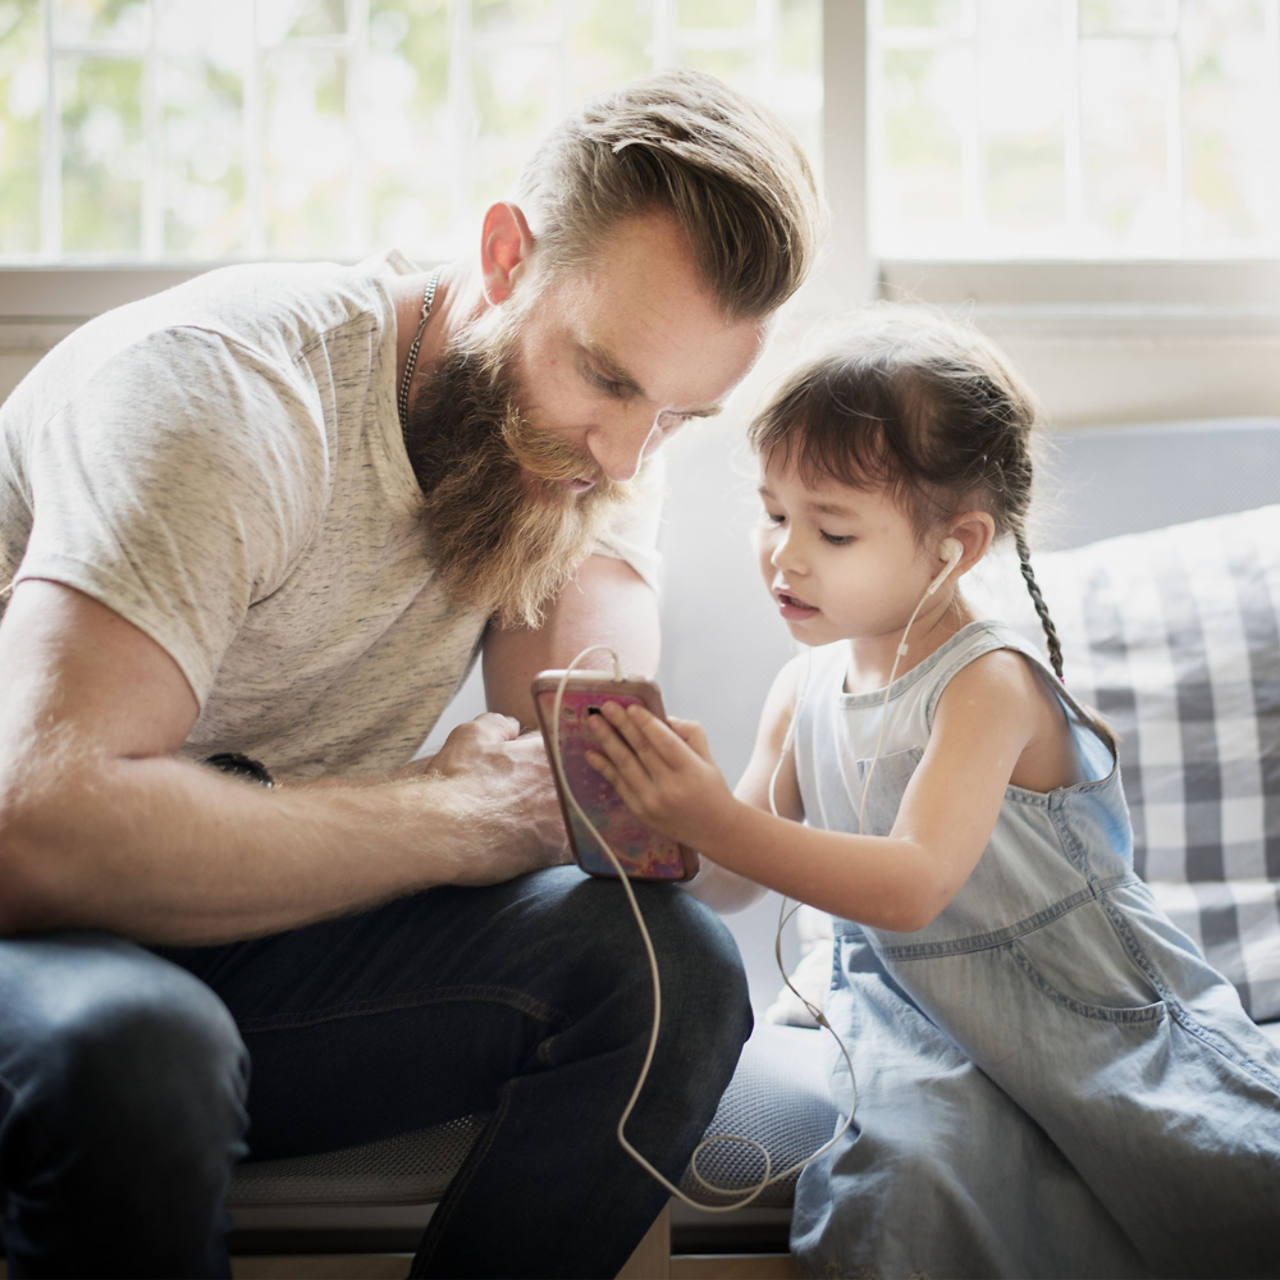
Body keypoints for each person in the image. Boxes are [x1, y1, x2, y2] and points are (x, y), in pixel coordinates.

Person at [0, 70, 821, 1278]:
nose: (627, 455)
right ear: (502, 256)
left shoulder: (592, 451)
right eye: (605, 377)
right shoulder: (226, 396)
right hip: (47, 934)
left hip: (263, 924)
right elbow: (39, 831)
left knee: (670, 973)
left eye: (682, 415)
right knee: (143, 1047)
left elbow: (572, 774)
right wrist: (448, 818)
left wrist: (654, 803)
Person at [583, 307, 1280, 1278]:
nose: (783, 554)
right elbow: (730, 880)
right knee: (903, 1185)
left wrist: (719, 819)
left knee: (1229, 1170)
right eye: (773, 511)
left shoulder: (984, 682)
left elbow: (912, 882)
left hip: (1079, 1004)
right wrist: (650, 825)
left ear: (953, 546)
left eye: (828, 528)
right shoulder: (803, 689)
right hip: (909, 1018)